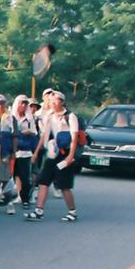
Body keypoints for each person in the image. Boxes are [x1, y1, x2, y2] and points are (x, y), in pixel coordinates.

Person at [26, 90, 80, 223]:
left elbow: (74, 137)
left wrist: (70, 156)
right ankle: (39, 210)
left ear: (62, 102)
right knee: (44, 180)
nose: (53, 103)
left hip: (65, 153)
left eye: (55, 101)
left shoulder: (70, 116)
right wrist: (37, 152)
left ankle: (72, 211)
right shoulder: (49, 116)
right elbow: (44, 134)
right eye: (51, 101)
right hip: (52, 152)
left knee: (64, 185)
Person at [8, 95, 39, 214]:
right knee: (13, 176)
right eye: (21, 103)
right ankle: (13, 198)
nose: (24, 106)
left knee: (25, 176)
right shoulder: (11, 117)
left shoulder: (29, 118)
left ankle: (25, 198)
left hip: (25, 151)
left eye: (25, 104)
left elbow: (35, 133)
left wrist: (29, 132)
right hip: (14, 151)